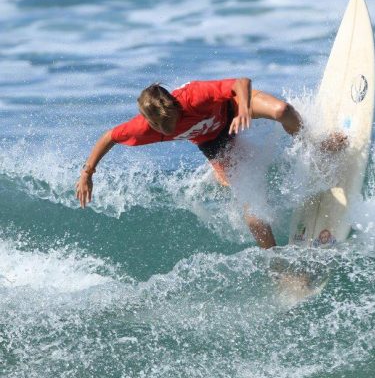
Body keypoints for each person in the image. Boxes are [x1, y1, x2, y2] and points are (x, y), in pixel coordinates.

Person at [75, 78, 310, 249]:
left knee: (282, 110)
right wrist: (87, 173)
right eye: (160, 126)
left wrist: (243, 111)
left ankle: (316, 143)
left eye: (173, 120)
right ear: (149, 122)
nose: (170, 128)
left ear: (176, 106)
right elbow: (109, 137)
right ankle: (278, 266)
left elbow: (241, 82)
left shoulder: (194, 96)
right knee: (254, 213)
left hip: (231, 108)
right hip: (213, 143)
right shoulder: (141, 128)